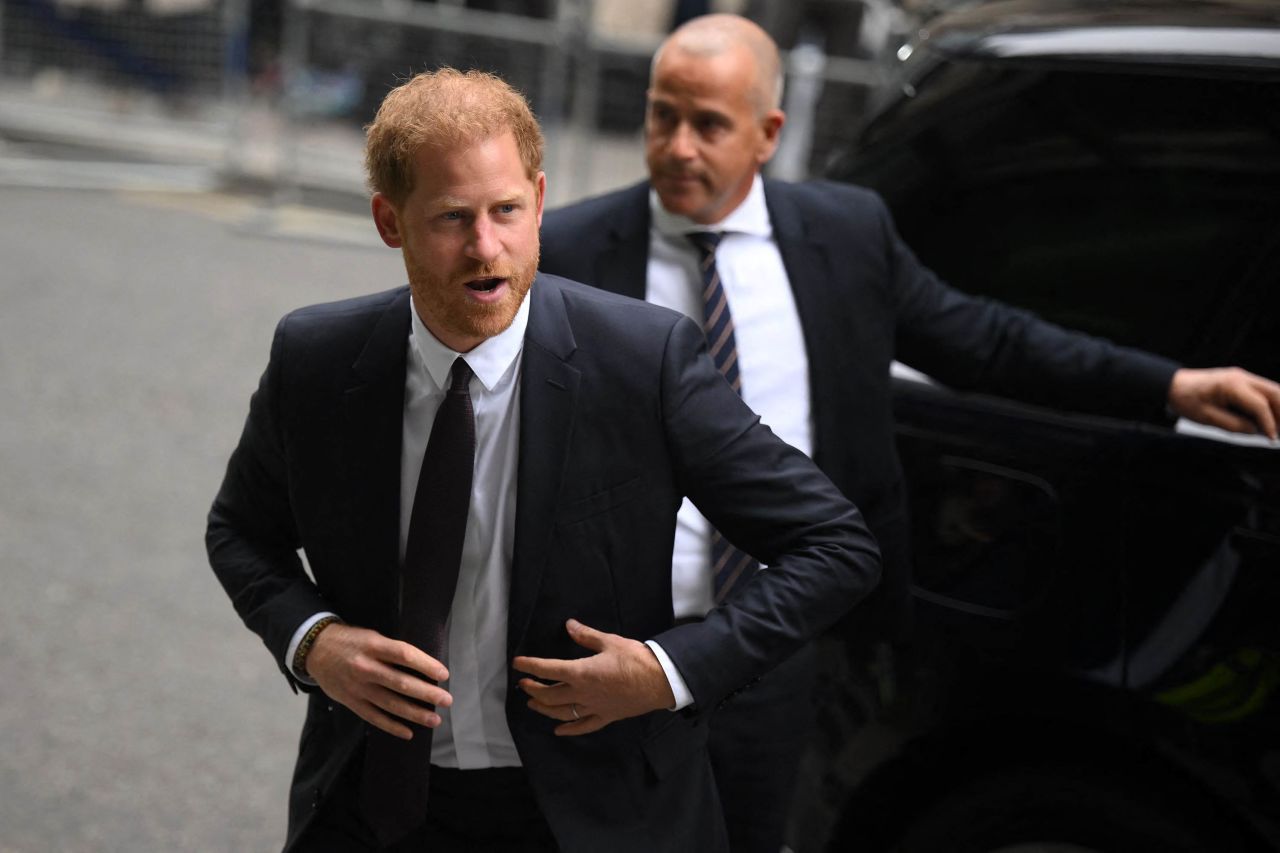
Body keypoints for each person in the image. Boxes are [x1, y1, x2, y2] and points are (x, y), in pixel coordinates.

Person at [537, 13, 1280, 853]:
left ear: (768, 133)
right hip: (609, 645)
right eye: (661, 114)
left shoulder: (846, 238)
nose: (676, 146)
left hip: (767, 649)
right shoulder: (567, 253)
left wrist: (1171, 383)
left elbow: (987, 339)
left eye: (708, 124)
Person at [205, 67, 882, 853]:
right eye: (453, 217)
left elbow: (836, 544)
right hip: (373, 806)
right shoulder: (315, 358)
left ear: (540, 198)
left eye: (507, 211)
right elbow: (239, 531)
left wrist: (669, 670)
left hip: (589, 817)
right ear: (390, 221)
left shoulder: (644, 361)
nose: (485, 247)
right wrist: (314, 640)